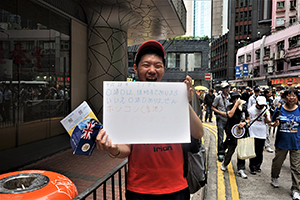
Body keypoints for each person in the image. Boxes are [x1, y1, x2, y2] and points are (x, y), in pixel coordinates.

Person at [96, 40, 204, 200]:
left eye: (158, 65)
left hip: (176, 187)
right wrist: (113, 149)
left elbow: (198, 133)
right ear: (135, 68)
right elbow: (126, 148)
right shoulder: (127, 102)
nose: (152, 70)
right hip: (139, 189)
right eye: (146, 65)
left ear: (164, 69)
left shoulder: (174, 98)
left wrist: (184, 102)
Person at [271, 88, 300, 200]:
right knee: (277, 163)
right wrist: (274, 123)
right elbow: (273, 123)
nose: (291, 98)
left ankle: (296, 189)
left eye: (294, 95)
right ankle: (274, 177)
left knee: (296, 168)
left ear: (297, 98)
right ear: (285, 97)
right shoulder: (279, 109)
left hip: (296, 143)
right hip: (282, 143)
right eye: (289, 95)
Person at [220, 91, 250, 179]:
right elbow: (229, 115)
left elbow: (248, 119)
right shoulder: (229, 107)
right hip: (231, 132)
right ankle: (225, 163)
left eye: (237, 98)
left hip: (242, 132)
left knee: (241, 151)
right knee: (230, 150)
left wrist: (244, 123)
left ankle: (240, 169)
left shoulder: (244, 107)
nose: (236, 100)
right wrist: (235, 105)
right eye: (234, 99)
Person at [247, 96, 272, 174]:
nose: (261, 107)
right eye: (260, 105)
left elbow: (268, 121)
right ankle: (252, 167)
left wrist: (266, 118)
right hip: (253, 132)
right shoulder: (251, 110)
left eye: (263, 105)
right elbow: (248, 120)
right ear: (256, 103)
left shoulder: (265, 110)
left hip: (262, 133)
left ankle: (258, 166)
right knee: (253, 150)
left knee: (260, 151)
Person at [212, 82, 231, 162]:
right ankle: (220, 152)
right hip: (221, 119)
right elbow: (213, 107)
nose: (227, 89)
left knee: (229, 136)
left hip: (229, 120)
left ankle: (223, 148)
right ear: (222, 89)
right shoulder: (218, 98)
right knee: (220, 136)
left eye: (228, 87)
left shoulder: (231, 97)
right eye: (225, 88)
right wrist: (221, 112)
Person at [262, 89, 274, 153]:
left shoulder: (270, 100)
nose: (270, 93)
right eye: (269, 92)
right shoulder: (262, 99)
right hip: (261, 118)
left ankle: (267, 146)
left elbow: (270, 110)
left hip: (267, 117)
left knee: (267, 133)